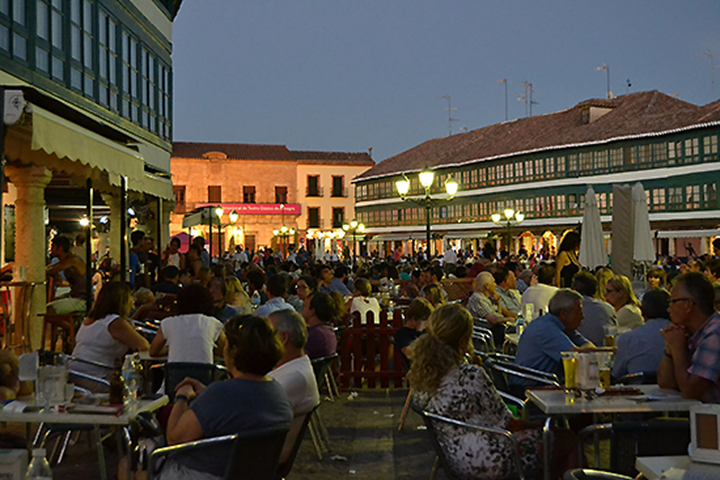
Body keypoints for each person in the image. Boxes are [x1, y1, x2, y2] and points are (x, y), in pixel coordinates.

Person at [409, 303, 576, 480]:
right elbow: (510, 425)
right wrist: (541, 426)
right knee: (568, 440)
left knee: (548, 441)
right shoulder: (470, 376)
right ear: (463, 341)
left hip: (454, 459)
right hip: (492, 459)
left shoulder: (423, 379)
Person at [159, 315, 293, 479]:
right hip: (252, 475)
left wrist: (182, 397)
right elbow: (240, 407)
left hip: (202, 474)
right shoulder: (279, 395)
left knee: (129, 465)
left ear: (234, 350)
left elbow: (174, 439)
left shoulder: (220, 395)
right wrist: (208, 393)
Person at [267, 309, 321, 464]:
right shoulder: (294, 366)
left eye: (268, 333)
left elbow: (247, 414)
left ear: (283, 338)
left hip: (260, 458)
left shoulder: (294, 377)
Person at [71, 282, 149, 387]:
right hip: (96, 378)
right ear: (122, 300)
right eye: (131, 296)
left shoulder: (91, 319)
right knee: (140, 383)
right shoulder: (115, 322)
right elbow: (143, 346)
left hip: (76, 373)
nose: (134, 300)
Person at [658, 272, 720, 402]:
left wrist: (678, 349)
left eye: (672, 302)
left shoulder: (714, 334)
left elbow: (690, 391)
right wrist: (670, 349)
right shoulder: (693, 332)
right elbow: (666, 384)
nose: (669, 309)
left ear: (688, 305)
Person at [514, 289, 594, 385]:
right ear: (564, 314)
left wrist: (584, 350)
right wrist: (584, 350)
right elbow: (576, 358)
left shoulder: (562, 326)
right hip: (529, 386)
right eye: (578, 312)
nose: (582, 317)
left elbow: (590, 348)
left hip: (542, 381)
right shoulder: (547, 329)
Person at [149, 284, 226, 364]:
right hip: (204, 375)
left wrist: (171, 348)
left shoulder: (167, 323)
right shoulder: (213, 323)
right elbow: (225, 351)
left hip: (175, 375)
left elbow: (153, 352)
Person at [612, 288, 671, 380]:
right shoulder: (686, 335)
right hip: (676, 391)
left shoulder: (628, 338)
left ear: (642, 311)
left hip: (639, 390)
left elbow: (616, 374)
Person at [572, 272, 617, 346]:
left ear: (574, 290)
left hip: (578, 352)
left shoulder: (569, 309)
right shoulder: (608, 308)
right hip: (605, 352)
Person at [46, 235, 87, 315]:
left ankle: (70, 327)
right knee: (52, 302)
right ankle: (71, 326)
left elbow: (51, 270)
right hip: (75, 296)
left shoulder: (73, 260)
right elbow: (54, 272)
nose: (51, 250)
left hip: (83, 299)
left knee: (48, 310)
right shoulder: (66, 261)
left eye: (53, 247)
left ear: (60, 248)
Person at [393, 297, 433, 363]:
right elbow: (408, 353)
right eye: (424, 322)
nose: (426, 325)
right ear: (414, 319)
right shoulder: (402, 334)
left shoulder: (425, 332)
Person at [302, 292, 337, 359]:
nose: (302, 307)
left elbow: (293, 358)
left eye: (305, 305)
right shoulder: (328, 331)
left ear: (312, 312)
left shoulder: (316, 335)